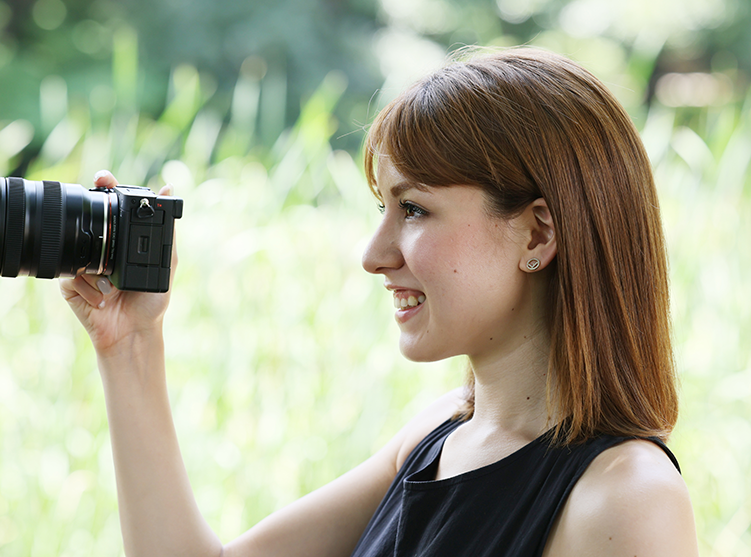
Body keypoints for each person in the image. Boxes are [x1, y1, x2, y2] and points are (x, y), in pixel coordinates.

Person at [60, 47, 698, 556]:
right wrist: (130, 345)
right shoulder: (437, 435)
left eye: (415, 209)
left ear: (537, 233)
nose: (373, 254)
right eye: (382, 208)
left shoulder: (627, 500)